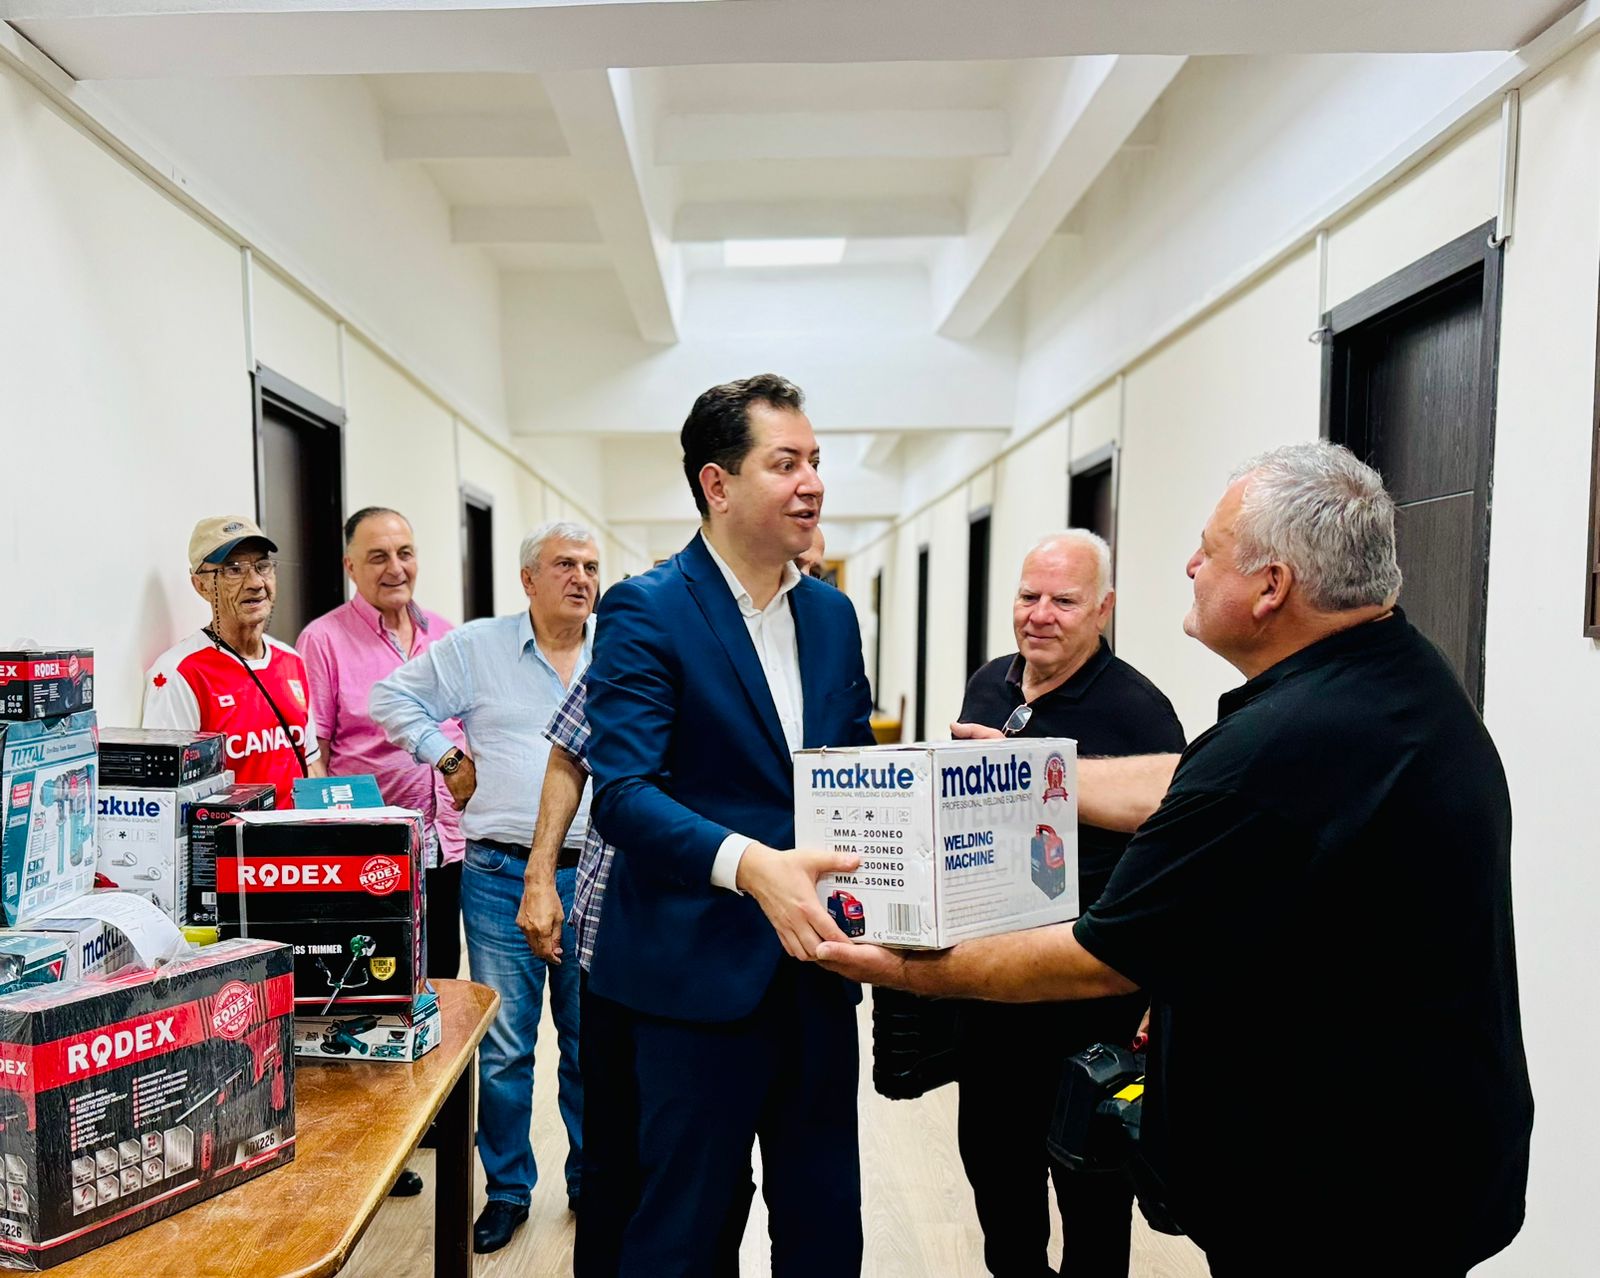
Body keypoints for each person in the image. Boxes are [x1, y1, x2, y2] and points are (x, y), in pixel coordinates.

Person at [819, 442, 1534, 1276]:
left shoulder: (1283, 746)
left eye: (1209, 550)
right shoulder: (1389, 677)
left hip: (1343, 1199)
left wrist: (904, 967)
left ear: (1271, 587)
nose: (1190, 566)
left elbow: (1101, 955)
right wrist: (1029, 773)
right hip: (1423, 1155)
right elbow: (1187, 782)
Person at [583, 374, 875, 1276]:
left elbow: (853, 770)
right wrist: (750, 864)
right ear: (717, 483)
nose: (812, 483)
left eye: (815, 461)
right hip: (690, 981)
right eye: (785, 464)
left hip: (817, 969)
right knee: (685, 1230)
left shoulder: (831, 613)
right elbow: (622, 793)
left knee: (826, 1221)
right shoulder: (647, 607)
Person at [952, 530, 1185, 1278]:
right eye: (1029, 596)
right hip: (994, 985)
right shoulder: (988, 686)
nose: (1041, 615)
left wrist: (1158, 996)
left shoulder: (1141, 713)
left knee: (1092, 1190)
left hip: (1092, 997)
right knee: (995, 1172)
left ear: (1103, 610)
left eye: (1064, 600)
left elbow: (1171, 864)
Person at [370, 521, 599, 1254]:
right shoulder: (478, 648)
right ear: (528, 579)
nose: (582, 578)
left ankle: (592, 1183)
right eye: (565, 565)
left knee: (591, 1041)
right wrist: (446, 756)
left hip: (597, 873)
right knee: (503, 1046)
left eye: (591, 566)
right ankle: (507, 1191)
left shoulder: (619, 651)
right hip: (500, 874)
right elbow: (391, 698)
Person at [297, 507, 466, 979]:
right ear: (350, 566)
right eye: (378, 557)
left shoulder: (445, 635)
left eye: (404, 553)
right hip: (370, 852)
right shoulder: (323, 640)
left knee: (443, 976)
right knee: (377, 979)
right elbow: (315, 756)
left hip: (447, 845)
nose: (396, 568)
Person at [143, 515, 322, 806]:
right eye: (234, 570)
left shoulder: (291, 660)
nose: (256, 583)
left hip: (296, 832)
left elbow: (310, 764)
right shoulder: (180, 674)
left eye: (262, 566)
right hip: (233, 835)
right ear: (201, 585)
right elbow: (169, 798)